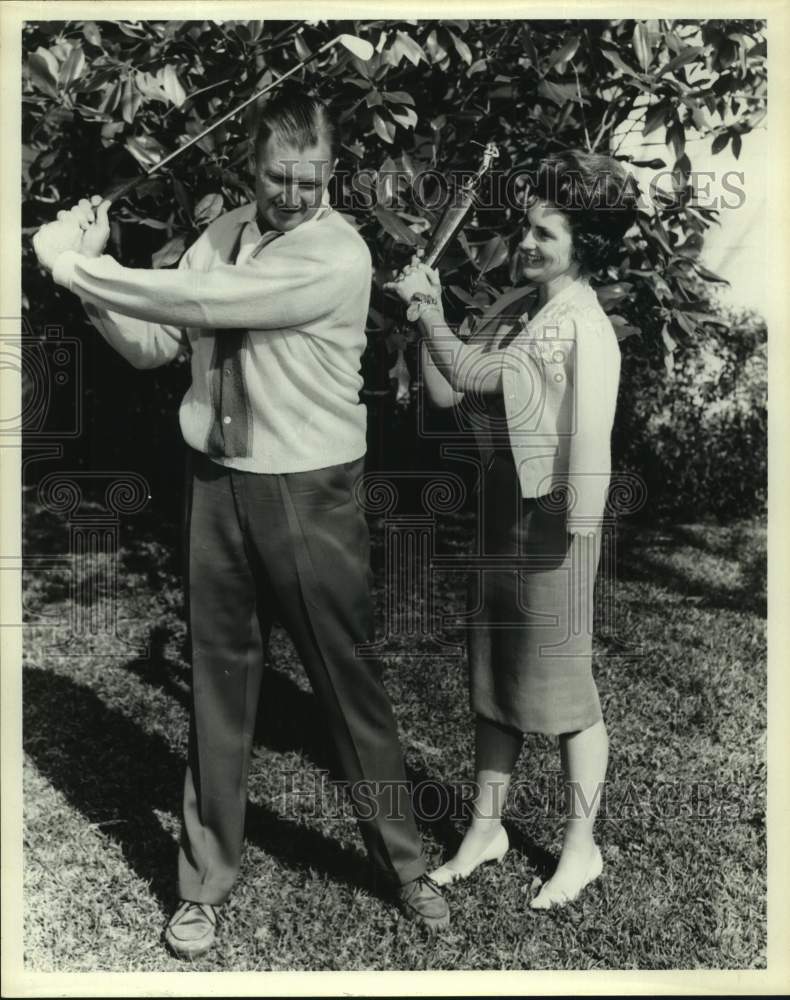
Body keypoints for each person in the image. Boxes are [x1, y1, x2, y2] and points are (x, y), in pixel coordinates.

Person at [32, 89, 449, 956]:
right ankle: (203, 883)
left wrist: (73, 265)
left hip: (309, 489)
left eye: (312, 178)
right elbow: (159, 343)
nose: (295, 193)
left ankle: (405, 865)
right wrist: (94, 281)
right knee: (220, 687)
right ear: (247, 167)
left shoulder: (336, 253)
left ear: (333, 172)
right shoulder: (222, 235)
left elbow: (206, 308)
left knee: (347, 683)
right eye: (276, 176)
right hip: (216, 482)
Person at [385, 150, 638, 909]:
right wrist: (425, 323)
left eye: (543, 235)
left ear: (582, 247)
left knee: (568, 699)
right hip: (506, 514)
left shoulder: (574, 325)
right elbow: (446, 382)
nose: (525, 243)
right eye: (524, 228)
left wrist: (429, 308)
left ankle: (581, 847)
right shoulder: (529, 313)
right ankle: (486, 831)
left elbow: (466, 375)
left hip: (557, 523)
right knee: (493, 681)